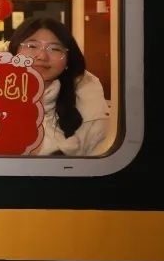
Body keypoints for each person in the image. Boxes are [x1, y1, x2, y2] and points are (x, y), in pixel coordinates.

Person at [8, 16, 110, 156]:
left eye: (55, 49)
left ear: (68, 60)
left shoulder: (89, 103)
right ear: (14, 51)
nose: (42, 56)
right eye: (32, 46)